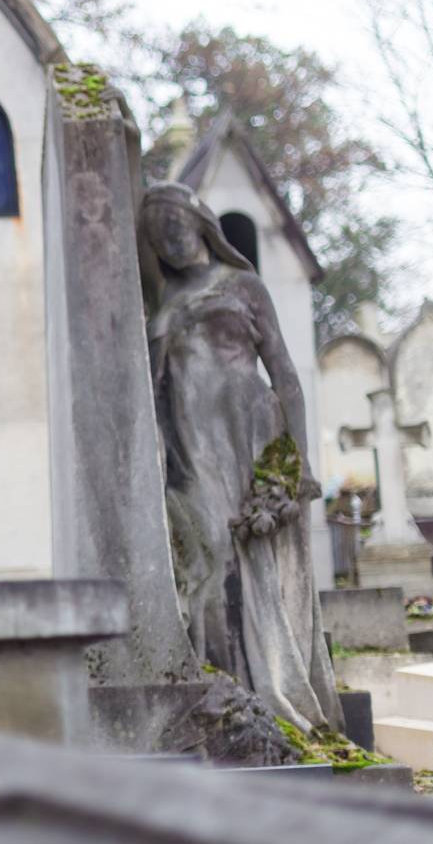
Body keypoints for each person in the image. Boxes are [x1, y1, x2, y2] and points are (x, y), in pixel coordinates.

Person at [140, 181, 340, 734]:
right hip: (191, 448)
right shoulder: (162, 306)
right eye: (158, 235)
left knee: (253, 561)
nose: (170, 240)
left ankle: (267, 696)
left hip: (249, 436)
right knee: (203, 557)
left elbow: (285, 373)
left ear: (200, 223)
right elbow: (153, 396)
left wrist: (296, 462)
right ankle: (228, 696)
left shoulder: (242, 284)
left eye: (175, 226)